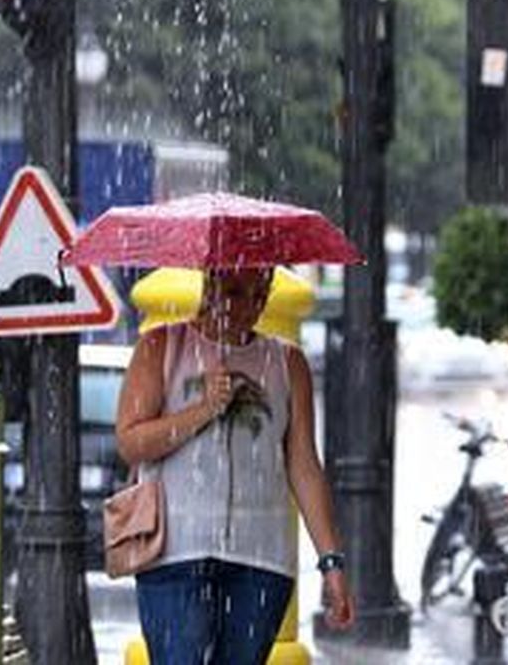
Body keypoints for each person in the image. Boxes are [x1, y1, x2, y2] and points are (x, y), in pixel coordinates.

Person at [116, 266, 355, 664]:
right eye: (234, 292)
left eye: (259, 294)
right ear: (208, 286)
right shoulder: (161, 346)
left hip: (260, 559)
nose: (248, 307)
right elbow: (131, 444)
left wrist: (331, 562)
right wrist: (203, 409)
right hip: (175, 552)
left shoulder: (286, 362)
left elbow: (303, 465)